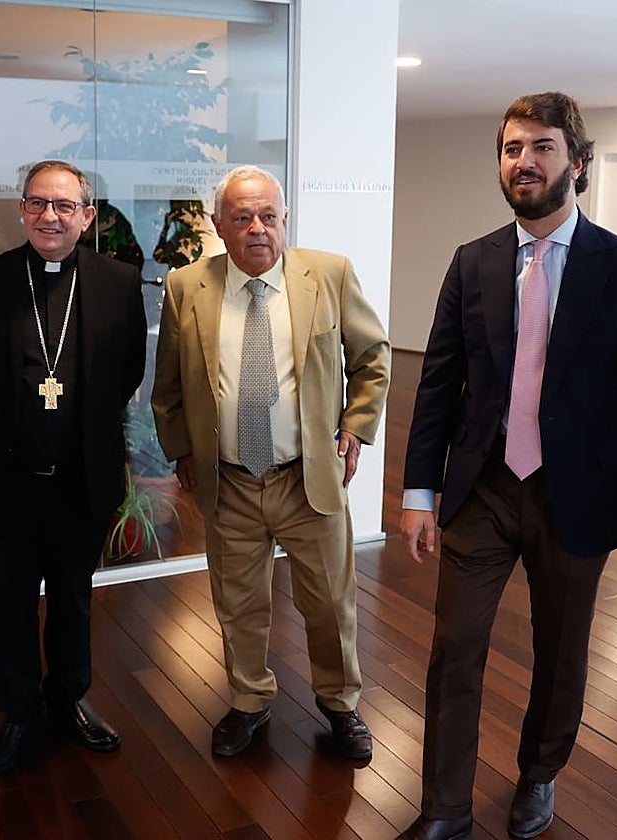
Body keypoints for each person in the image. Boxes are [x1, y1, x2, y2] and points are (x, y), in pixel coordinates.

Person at [397, 92, 617, 840]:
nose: (522, 162)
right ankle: (444, 810)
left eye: (541, 148)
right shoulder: (473, 262)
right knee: (454, 647)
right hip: (483, 490)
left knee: (560, 652)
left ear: (578, 165)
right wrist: (419, 491)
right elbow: (439, 384)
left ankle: (539, 774)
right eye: (510, 148)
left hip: (580, 497)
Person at [151, 164, 391, 761]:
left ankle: (340, 705)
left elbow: (373, 356)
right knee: (238, 602)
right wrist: (181, 449)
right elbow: (169, 386)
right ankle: (249, 700)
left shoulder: (328, 275)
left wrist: (356, 428)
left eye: (269, 216)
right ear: (219, 225)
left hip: (306, 478)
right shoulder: (186, 287)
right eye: (242, 217)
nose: (257, 228)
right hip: (229, 480)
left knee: (330, 602)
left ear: (284, 220)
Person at [0, 160, 147, 779]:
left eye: (64, 206)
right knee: (6, 603)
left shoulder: (118, 282)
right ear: (22, 211)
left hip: (81, 479)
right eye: (37, 204)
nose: (49, 216)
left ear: (87, 216)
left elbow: (128, 373)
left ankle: (69, 699)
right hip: (5, 479)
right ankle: (19, 714)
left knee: (73, 599)